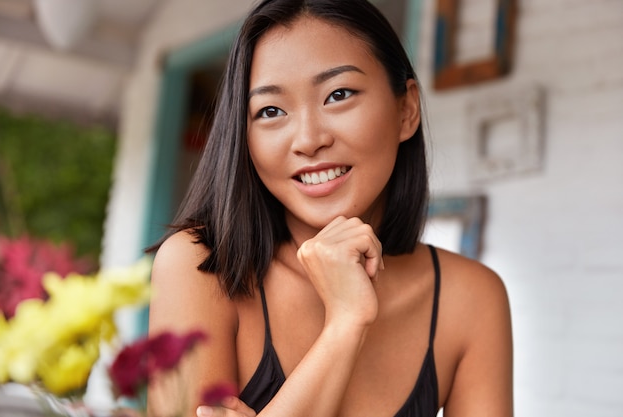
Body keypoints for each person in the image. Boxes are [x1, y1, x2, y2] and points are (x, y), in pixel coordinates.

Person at [147, 0, 513, 416]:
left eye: (338, 95)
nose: (308, 139)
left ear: (406, 109)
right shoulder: (199, 268)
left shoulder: (471, 298)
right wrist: (345, 323)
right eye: (270, 111)